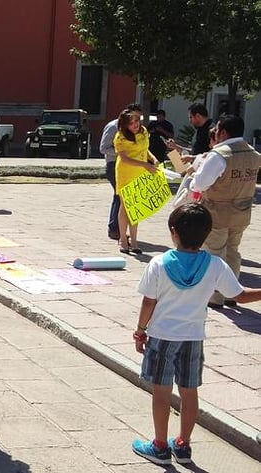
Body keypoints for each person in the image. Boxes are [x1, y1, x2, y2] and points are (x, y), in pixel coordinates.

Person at [131, 203, 261, 465]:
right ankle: (183, 445)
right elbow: (240, 295)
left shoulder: (158, 263)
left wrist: (140, 330)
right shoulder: (215, 265)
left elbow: (148, 303)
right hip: (193, 339)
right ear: (208, 233)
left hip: (162, 337)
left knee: (162, 392)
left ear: (173, 232)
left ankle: (159, 446)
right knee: (190, 392)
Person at [190, 115, 261, 308]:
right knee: (233, 252)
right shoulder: (254, 154)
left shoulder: (220, 154)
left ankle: (215, 296)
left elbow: (200, 183)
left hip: (217, 212)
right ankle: (233, 294)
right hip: (242, 211)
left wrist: (195, 176)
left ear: (223, 132)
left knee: (214, 252)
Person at [114, 109, 157, 254]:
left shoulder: (144, 132)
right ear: (125, 125)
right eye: (131, 123)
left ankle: (134, 241)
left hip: (140, 173)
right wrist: (145, 164)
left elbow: (145, 148)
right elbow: (124, 158)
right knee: (126, 206)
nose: (135, 125)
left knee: (136, 207)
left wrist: (152, 158)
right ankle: (123, 240)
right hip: (126, 173)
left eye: (136, 121)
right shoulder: (120, 137)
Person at [100, 103, 142, 241]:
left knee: (122, 198)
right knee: (120, 197)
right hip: (114, 165)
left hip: (130, 167)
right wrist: (122, 154)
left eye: (138, 119)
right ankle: (115, 229)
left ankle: (120, 229)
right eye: (134, 118)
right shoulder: (114, 127)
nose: (136, 122)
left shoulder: (137, 131)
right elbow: (103, 147)